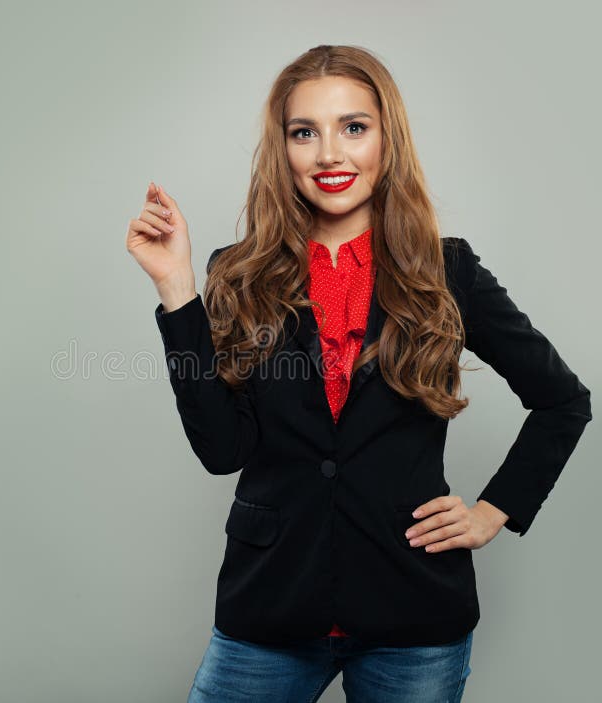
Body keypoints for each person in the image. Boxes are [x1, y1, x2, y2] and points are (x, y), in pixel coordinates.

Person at [125, 45, 592, 703]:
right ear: (282, 149)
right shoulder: (239, 271)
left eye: (353, 127)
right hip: (270, 604)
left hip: (415, 614)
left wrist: (494, 510)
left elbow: (563, 401)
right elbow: (222, 449)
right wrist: (176, 289)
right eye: (304, 132)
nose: (328, 155)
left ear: (386, 138)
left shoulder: (446, 270)